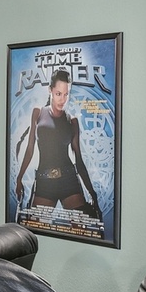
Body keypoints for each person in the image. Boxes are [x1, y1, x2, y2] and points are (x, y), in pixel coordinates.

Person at [14, 69, 102, 219]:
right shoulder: (38, 113)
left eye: (66, 94)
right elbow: (30, 149)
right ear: (50, 90)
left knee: (85, 228)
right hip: (44, 182)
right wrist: (19, 178)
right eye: (58, 94)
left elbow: (78, 160)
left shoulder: (72, 121)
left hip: (69, 181)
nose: (62, 99)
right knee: (33, 226)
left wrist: (92, 193)